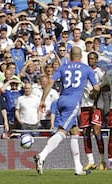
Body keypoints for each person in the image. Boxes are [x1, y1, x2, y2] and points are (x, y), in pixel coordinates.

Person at [34, 47, 100, 175]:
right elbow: (96, 87)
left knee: (74, 132)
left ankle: (78, 168)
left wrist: (43, 100)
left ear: (70, 56)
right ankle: (42, 156)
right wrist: (93, 95)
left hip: (62, 100)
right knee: (63, 132)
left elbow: (51, 82)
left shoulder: (63, 68)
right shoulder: (87, 69)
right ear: (81, 56)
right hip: (73, 103)